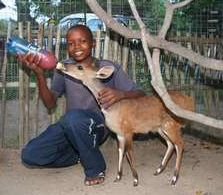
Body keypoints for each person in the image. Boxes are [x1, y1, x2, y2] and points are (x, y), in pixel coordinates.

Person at [18, 24, 145, 186]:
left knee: (74, 118)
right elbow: (50, 103)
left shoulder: (107, 67)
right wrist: (40, 75)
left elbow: (141, 94)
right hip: (70, 125)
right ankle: (81, 155)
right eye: (71, 43)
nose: (77, 47)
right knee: (30, 155)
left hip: (97, 125)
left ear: (93, 44)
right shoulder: (65, 68)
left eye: (82, 41)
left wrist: (120, 94)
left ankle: (95, 168)